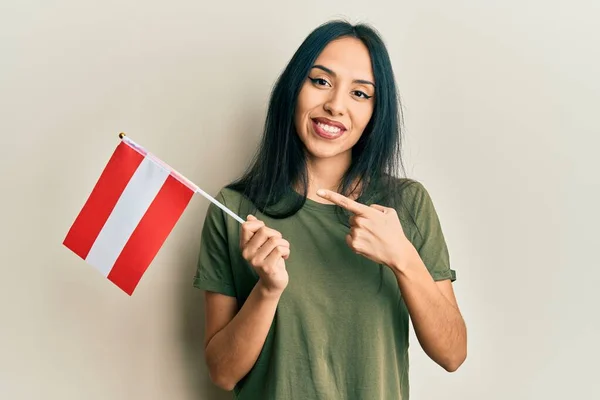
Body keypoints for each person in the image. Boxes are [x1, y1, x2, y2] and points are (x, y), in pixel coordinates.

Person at [193, 19, 467, 400]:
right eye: (320, 81)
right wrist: (267, 290)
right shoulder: (235, 209)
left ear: (376, 111)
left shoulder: (408, 204)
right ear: (293, 89)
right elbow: (222, 373)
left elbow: (452, 354)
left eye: (360, 93)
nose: (335, 105)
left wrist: (403, 257)